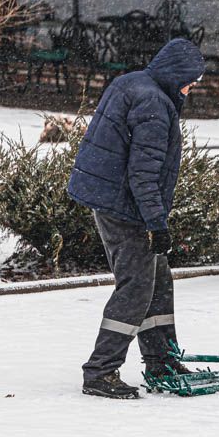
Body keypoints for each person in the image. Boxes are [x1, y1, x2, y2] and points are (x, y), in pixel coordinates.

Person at [68, 38, 206, 399]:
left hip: (112, 196)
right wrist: (156, 223)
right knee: (137, 287)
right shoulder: (154, 104)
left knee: (158, 281)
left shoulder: (133, 82)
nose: (192, 87)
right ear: (176, 74)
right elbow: (143, 174)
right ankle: (101, 372)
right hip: (124, 205)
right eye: (191, 80)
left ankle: (161, 358)